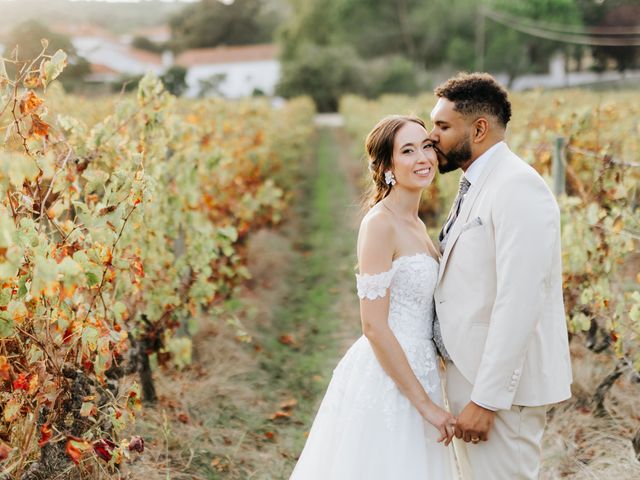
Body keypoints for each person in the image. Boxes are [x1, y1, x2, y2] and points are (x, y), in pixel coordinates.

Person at [289, 115, 458, 479]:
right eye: (408, 151)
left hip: (423, 369)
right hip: (391, 378)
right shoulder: (380, 224)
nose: (423, 158)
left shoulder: (416, 222)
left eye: (426, 146)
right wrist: (426, 406)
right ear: (386, 167)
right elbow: (374, 326)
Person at [429, 72, 573, 480]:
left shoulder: (518, 186)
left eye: (442, 126)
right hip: (470, 378)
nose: (431, 136)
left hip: (502, 395)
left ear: (478, 129)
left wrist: (487, 400)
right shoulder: (477, 181)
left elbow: (520, 299)